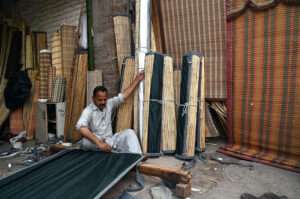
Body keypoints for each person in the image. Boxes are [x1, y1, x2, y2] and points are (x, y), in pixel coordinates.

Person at [76, 70, 145, 153]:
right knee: (85, 142)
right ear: (93, 98)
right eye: (100, 100)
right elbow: (80, 127)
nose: (103, 102)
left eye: (105, 99)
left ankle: (136, 157)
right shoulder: (88, 110)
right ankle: (113, 151)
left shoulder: (109, 103)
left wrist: (137, 79)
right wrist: (100, 143)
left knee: (130, 133)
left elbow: (124, 95)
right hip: (97, 142)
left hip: (111, 141)